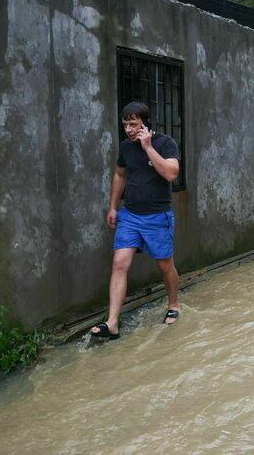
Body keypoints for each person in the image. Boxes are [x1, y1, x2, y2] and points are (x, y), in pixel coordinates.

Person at [89, 102, 181, 340]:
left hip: (157, 217)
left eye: (134, 124)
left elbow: (171, 173)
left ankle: (173, 304)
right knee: (119, 264)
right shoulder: (125, 147)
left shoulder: (165, 143)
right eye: (125, 124)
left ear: (146, 123)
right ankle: (112, 323)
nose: (129, 129)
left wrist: (148, 147)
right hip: (129, 216)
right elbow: (120, 174)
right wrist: (112, 207)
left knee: (165, 266)